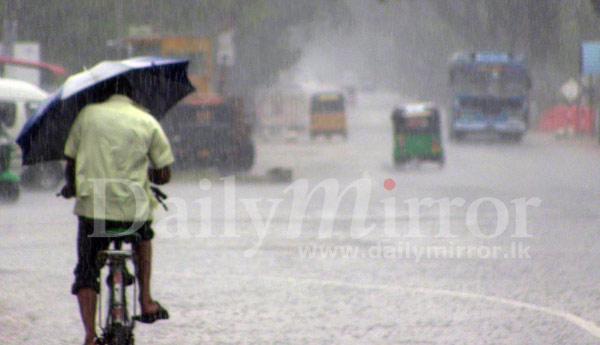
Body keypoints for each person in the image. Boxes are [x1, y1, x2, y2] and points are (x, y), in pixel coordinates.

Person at [61, 79, 174, 345]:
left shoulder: (86, 117)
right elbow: (164, 172)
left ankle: (90, 335)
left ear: (102, 94)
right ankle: (146, 299)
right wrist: (149, 173)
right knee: (143, 238)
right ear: (132, 94)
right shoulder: (146, 120)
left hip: (94, 210)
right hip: (133, 211)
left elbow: (71, 161)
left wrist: (72, 187)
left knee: (87, 269)